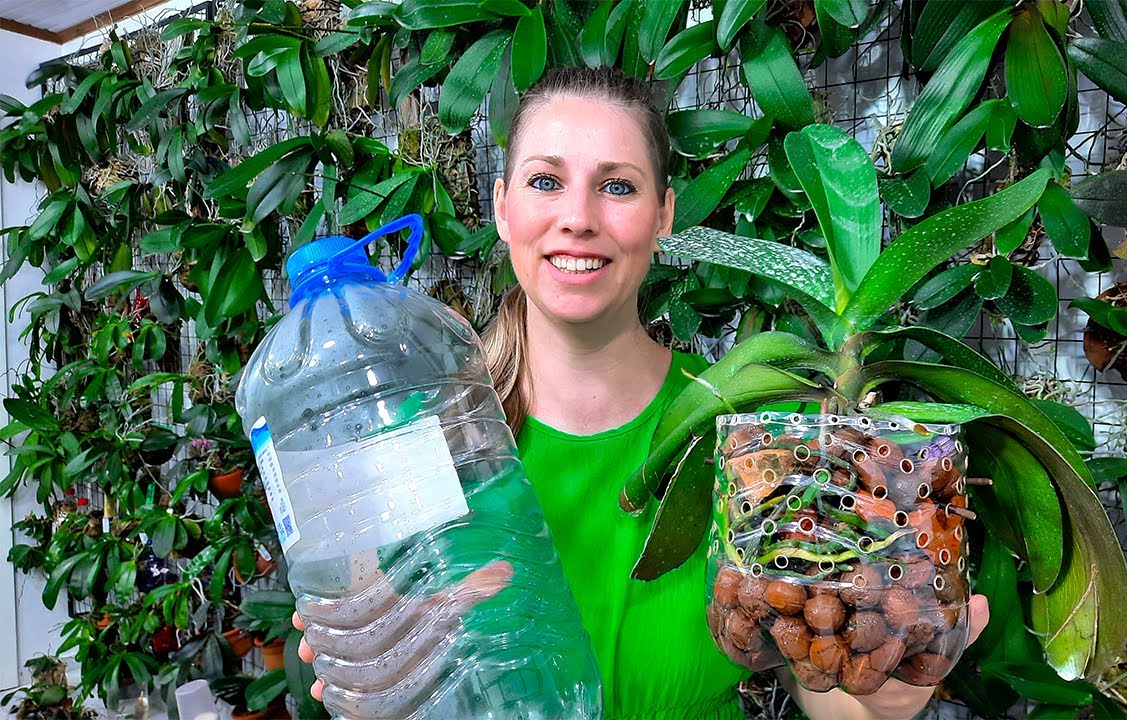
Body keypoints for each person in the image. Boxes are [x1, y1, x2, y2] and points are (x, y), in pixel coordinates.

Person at [296, 66, 989, 720]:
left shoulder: (751, 437)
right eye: (545, 181)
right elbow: (379, 666)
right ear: (502, 208)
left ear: (663, 215)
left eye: (617, 186)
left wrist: (881, 695)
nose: (578, 218)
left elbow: (821, 680)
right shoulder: (417, 443)